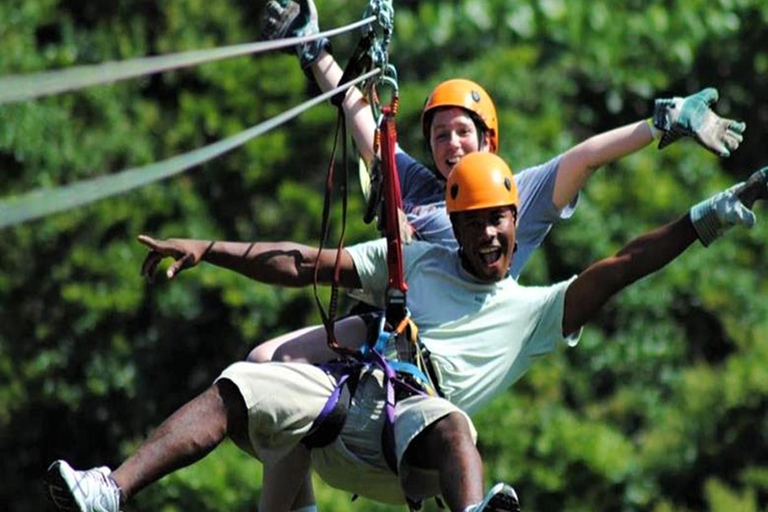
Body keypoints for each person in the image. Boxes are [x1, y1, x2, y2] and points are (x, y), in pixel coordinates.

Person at [46, 152, 768, 512]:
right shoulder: (418, 259)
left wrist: (702, 218)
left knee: (452, 424)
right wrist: (208, 249)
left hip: (412, 453)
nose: (490, 234)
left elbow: (620, 267)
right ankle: (112, 488)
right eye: (475, 221)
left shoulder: (534, 312)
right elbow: (305, 264)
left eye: (500, 219)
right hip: (346, 404)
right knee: (239, 384)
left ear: (518, 223)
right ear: (451, 225)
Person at [249, 0, 748, 364]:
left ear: (489, 141)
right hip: (387, 327)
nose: (451, 144)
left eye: (462, 132)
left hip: (448, 344)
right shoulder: (422, 188)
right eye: (440, 135)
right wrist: (314, 50)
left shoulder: (515, 197)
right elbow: (364, 121)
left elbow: (587, 158)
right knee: (264, 360)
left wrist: (664, 120)